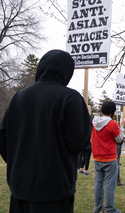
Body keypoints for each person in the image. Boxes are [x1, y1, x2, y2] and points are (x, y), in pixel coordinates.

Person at [0, 49, 92, 213]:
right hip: (54, 191)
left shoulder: (19, 97)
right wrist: (87, 119)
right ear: (67, 72)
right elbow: (78, 142)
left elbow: (3, 138)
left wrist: (20, 163)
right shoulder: (70, 98)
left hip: (19, 186)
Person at [91, 101, 125, 213]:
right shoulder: (112, 124)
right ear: (113, 112)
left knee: (98, 184)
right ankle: (109, 209)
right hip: (110, 158)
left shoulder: (93, 122)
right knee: (110, 185)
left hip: (97, 157)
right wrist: (122, 127)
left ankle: (97, 208)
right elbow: (119, 139)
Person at [78, 105, 93, 176]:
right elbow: (89, 118)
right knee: (87, 158)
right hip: (88, 144)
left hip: (82, 143)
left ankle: (81, 169)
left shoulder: (81, 121)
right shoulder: (88, 123)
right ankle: (86, 171)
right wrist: (88, 109)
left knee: (83, 157)